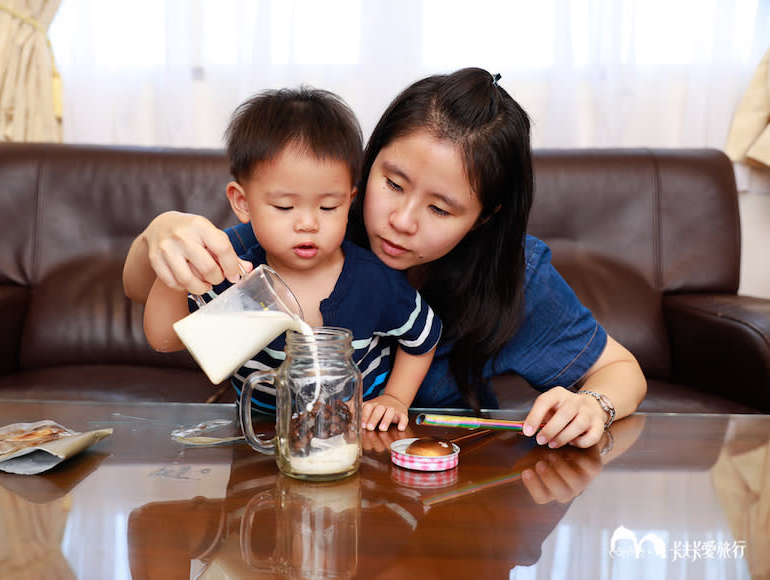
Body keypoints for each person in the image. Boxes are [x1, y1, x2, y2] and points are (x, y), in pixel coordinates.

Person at [124, 68, 647, 448]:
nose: (402, 220)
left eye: (441, 209)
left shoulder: (517, 275)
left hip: (435, 490)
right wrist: (158, 235)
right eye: (392, 183)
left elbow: (622, 371)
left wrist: (593, 405)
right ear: (364, 171)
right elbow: (139, 292)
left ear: (484, 217)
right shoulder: (313, 225)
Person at [140, 86, 442, 431]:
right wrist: (174, 271)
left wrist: (395, 398)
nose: (308, 224)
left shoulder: (372, 280)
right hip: (259, 430)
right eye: (284, 207)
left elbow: (424, 337)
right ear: (242, 202)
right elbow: (165, 339)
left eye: (329, 207)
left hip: (353, 431)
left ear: (350, 201)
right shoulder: (236, 274)